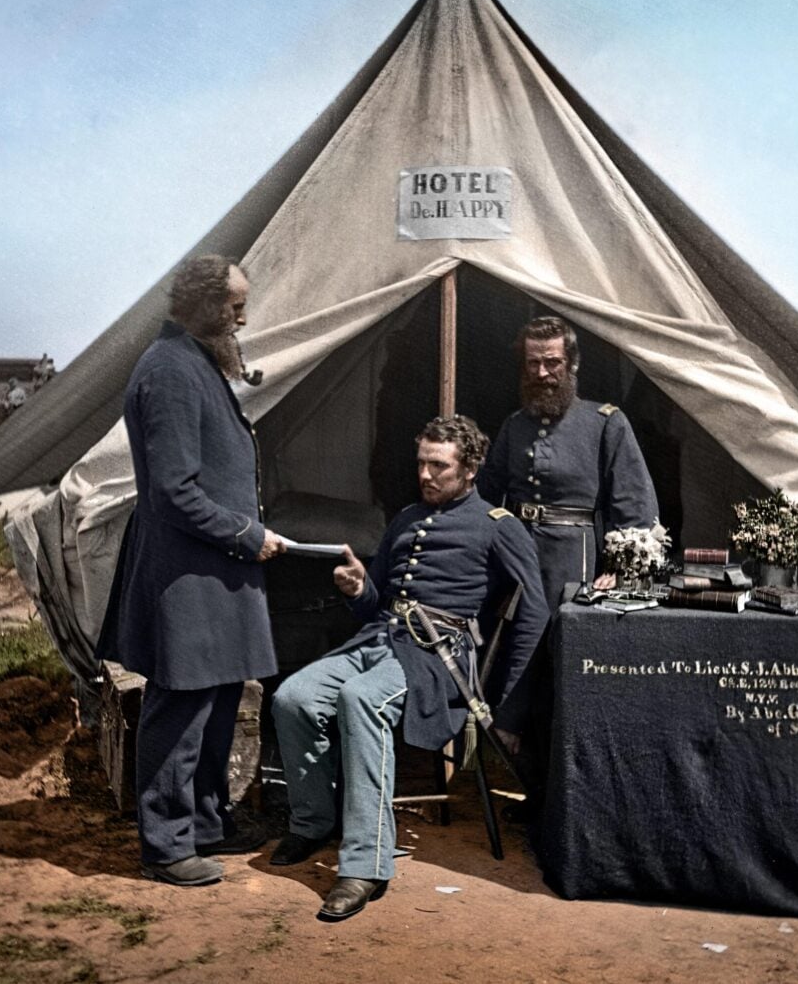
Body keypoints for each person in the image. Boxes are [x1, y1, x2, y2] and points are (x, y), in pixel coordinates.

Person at [271, 415, 549, 921]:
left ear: (469, 472)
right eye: (421, 462)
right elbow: (376, 601)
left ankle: (365, 863)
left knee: (360, 700)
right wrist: (359, 589)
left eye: (437, 466)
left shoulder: (498, 527)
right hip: (378, 640)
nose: (425, 474)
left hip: (437, 656)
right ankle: (313, 823)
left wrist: (511, 708)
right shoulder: (404, 518)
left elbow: (533, 614)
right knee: (293, 697)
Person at [96, 254, 286, 887]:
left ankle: (207, 822)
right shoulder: (171, 370)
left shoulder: (194, 362)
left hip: (215, 573)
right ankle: (167, 845)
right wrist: (246, 534)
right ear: (203, 305)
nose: (242, 315)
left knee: (220, 702)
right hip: (189, 575)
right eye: (234, 305)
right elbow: (174, 493)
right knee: (179, 710)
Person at [476, 316, 659, 612]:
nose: (541, 372)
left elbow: (635, 503)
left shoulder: (606, 423)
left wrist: (618, 569)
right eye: (533, 363)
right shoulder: (514, 426)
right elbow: (487, 494)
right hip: (518, 556)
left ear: (572, 364)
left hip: (576, 559)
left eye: (552, 362)